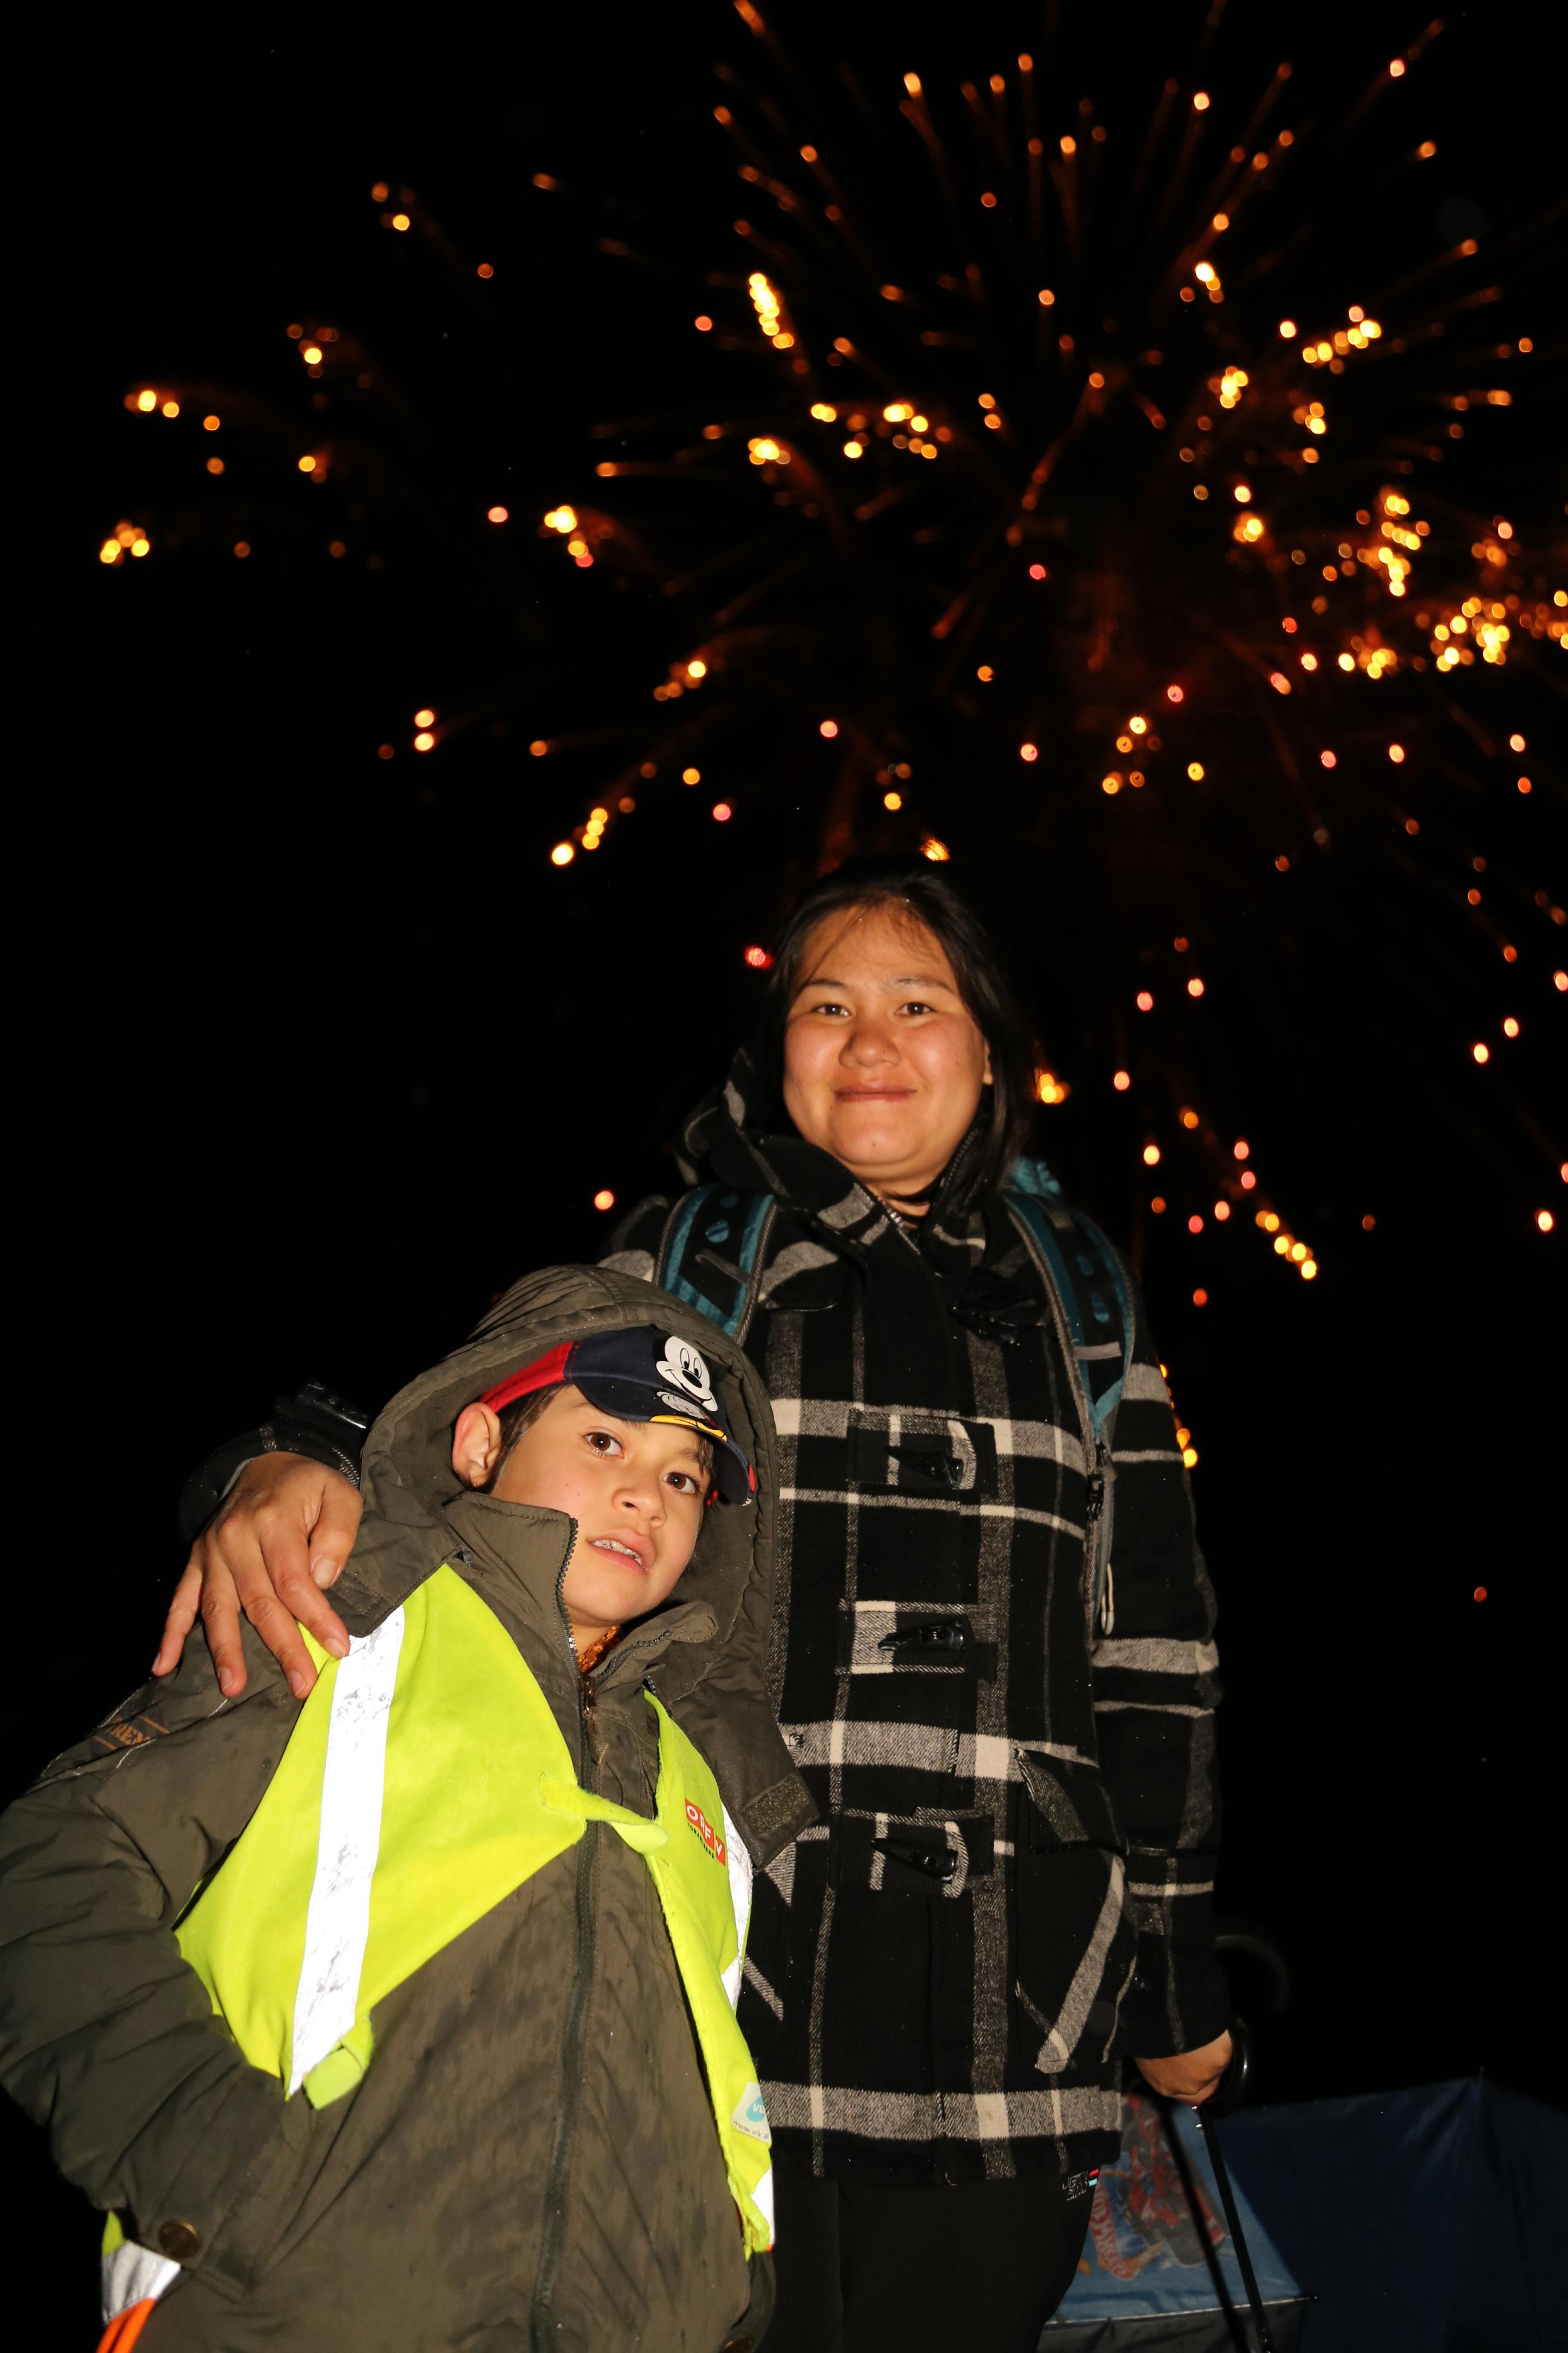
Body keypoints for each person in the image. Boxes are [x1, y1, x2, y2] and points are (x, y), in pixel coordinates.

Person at [154, 860, 1232, 2353]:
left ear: (990, 1052)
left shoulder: (1083, 1295)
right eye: (826, 1006)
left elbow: (1156, 1657)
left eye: (917, 1004)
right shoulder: (688, 1259)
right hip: (722, 1991)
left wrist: (1173, 1976)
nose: (869, 1042)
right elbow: (474, 1447)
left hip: (1018, 2011)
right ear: (774, 1048)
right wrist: (286, 1463)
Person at [0, 1268, 811, 2353]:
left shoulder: (697, 1774)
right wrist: (203, 2153)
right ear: (478, 1445)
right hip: (291, 2311)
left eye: (683, 1477)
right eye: (603, 1441)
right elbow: (48, 1868)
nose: (645, 1497)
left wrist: (726, 2279)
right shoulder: (337, 1630)